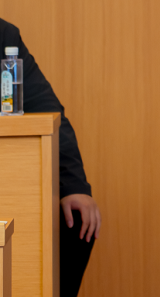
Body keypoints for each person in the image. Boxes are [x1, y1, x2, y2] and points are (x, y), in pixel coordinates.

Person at [0, 19, 101, 297]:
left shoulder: (4, 35)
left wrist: (74, 187)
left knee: (76, 219)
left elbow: (47, 112)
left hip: (6, 180)